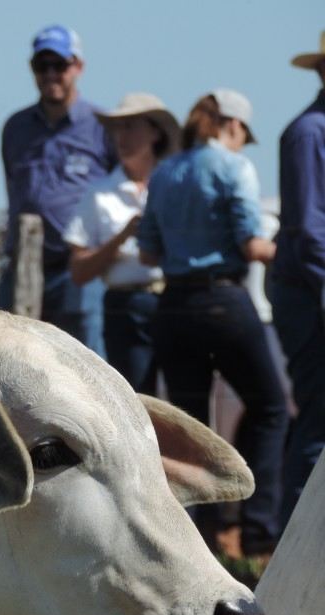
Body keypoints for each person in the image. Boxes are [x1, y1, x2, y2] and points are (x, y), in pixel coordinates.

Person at [138, 90, 289, 554]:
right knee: (270, 408)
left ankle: (195, 537)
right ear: (233, 126)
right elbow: (251, 245)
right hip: (223, 302)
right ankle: (257, 528)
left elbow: (148, 251)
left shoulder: (164, 172)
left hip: (174, 308)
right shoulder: (233, 166)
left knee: (189, 424)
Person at [0, 25, 117, 355]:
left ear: (78, 67)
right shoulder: (15, 127)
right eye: (42, 65)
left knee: (86, 362)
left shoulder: (102, 125)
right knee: (11, 360)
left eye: (59, 65)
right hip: (23, 264)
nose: (51, 74)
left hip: (77, 269)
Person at [63, 94, 179, 393]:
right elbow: (79, 271)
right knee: (139, 401)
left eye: (130, 127)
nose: (121, 137)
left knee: (186, 398)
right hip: (125, 307)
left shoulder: (177, 185)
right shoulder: (99, 193)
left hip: (176, 300)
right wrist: (122, 237)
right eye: (116, 128)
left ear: (155, 132)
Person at [270, 32, 325, 532]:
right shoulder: (310, 132)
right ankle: (294, 548)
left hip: (311, 285)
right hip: (310, 292)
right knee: (319, 416)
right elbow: (309, 230)